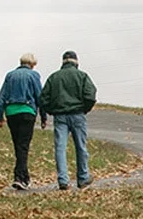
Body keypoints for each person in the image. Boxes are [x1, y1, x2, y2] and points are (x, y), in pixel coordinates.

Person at [38, 50, 98, 191]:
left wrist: (52, 110)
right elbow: (90, 95)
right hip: (77, 115)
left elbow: (43, 99)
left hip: (60, 117)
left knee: (60, 147)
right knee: (81, 147)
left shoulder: (54, 77)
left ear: (63, 62)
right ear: (76, 62)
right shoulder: (82, 76)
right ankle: (83, 178)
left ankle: (63, 180)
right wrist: (84, 109)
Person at [0, 53, 47, 191]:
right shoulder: (33, 76)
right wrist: (43, 117)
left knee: (18, 145)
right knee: (23, 146)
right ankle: (19, 177)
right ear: (32, 64)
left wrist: (0, 116)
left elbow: (2, 96)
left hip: (11, 113)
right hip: (27, 112)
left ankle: (24, 177)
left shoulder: (10, 75)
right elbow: (39, 97)